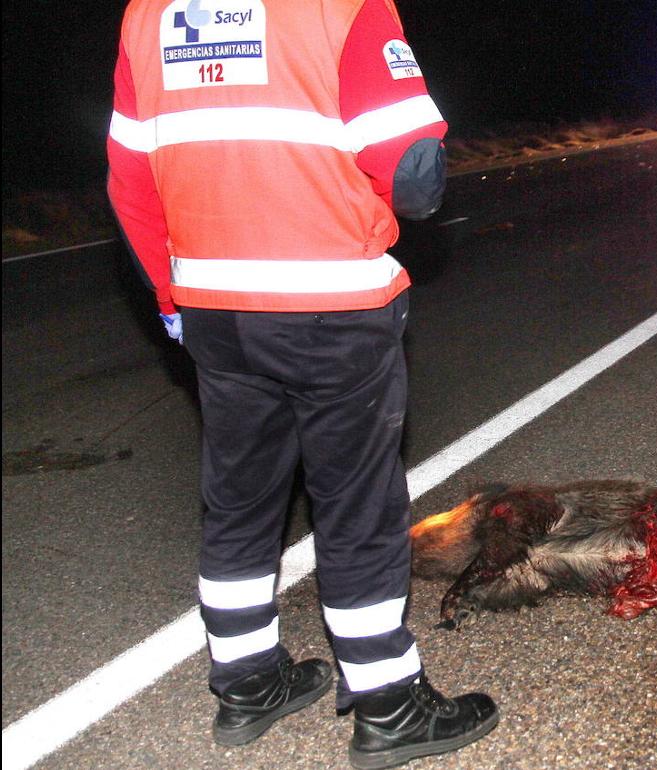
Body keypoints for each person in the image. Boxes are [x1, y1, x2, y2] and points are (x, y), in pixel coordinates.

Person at [106, 1, 498, 766]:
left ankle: (248, 685)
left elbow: (128, 179)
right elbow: (412, 172)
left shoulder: (146, 15)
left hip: (213, 308)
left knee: (239, 497)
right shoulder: (342, 5)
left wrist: (168, 295)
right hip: (332, 306)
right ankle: (388, 704)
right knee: (355, 505)